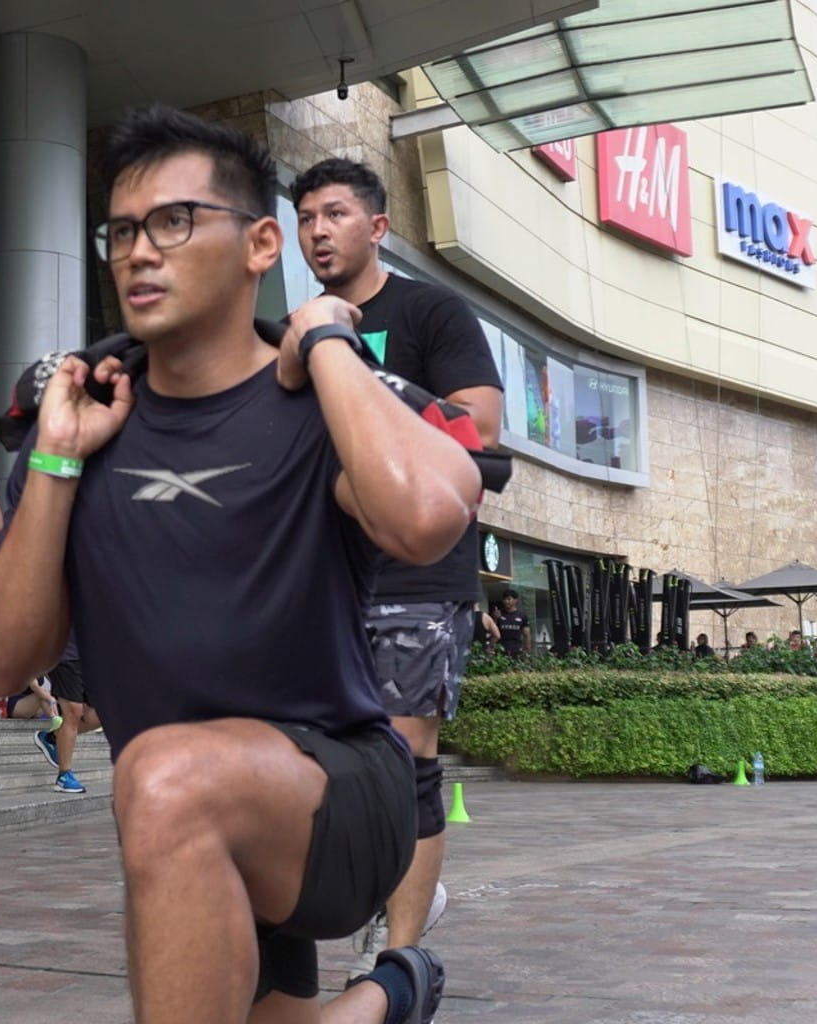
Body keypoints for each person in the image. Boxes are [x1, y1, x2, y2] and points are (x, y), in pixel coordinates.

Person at [0, 105, 480, 1024]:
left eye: (174, 221)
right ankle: (388, 996)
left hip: (336, 797)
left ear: (260, 245)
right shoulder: (84, 421)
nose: (139, 252)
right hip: (186, 814)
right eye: (122, 231)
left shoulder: (315, 401)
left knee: (162, 776)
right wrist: (56, 461)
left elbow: (430, 518)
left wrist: (326, 341)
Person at [294, 157, 503, 979]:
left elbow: (479, 427)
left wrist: (370, 390)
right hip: (322, 573)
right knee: (324, 762)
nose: (318, 231)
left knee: (408, 755)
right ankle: (384, 893)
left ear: (377, 227)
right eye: (306, 216)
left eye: (335, 214)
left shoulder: (429, 310)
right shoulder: (296, 329)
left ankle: (398, 959)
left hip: (417, 571)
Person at [29, 645, 101, 795]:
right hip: (64, 654)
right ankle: (64, 776)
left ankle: (52, 738)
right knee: (73, 712)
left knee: (97, 716)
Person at [495, 590, 528, 658]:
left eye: (509, 599)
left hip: (516, 649)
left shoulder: (522, 615)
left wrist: (526, 650)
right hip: (500, 649)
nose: (506, 601)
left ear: (516, 600)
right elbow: (493, 631)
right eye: (504, 599)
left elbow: (526, 634)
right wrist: (495, 618)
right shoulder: (498, 614)